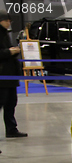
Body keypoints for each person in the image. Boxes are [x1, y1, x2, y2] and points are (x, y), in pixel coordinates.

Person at [0, 10, 27, 138]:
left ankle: (11, 129)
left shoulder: (6, 33)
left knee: (11, 103)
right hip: (2, 76)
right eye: (6, 20)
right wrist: (8, 52)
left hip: (10, 75)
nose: (8, 23)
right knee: (2, 102)